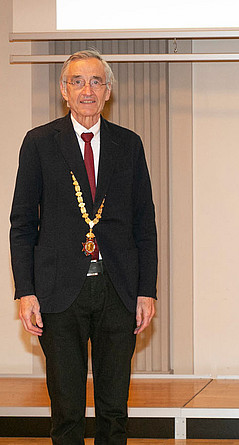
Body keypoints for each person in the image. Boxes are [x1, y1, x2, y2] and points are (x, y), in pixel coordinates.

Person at [10, 49, 158, 444]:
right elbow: (22, 224)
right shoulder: (39, 143)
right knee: (67, 410)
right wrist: (25, 292)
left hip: (118, 290)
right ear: (64, 90)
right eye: (78, 81)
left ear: (108, 91)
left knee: (114, 410)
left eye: (96, 81)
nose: (87, 90)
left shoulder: (129, 144)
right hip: (59, 293)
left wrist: (147, 290)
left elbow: (146, 223)